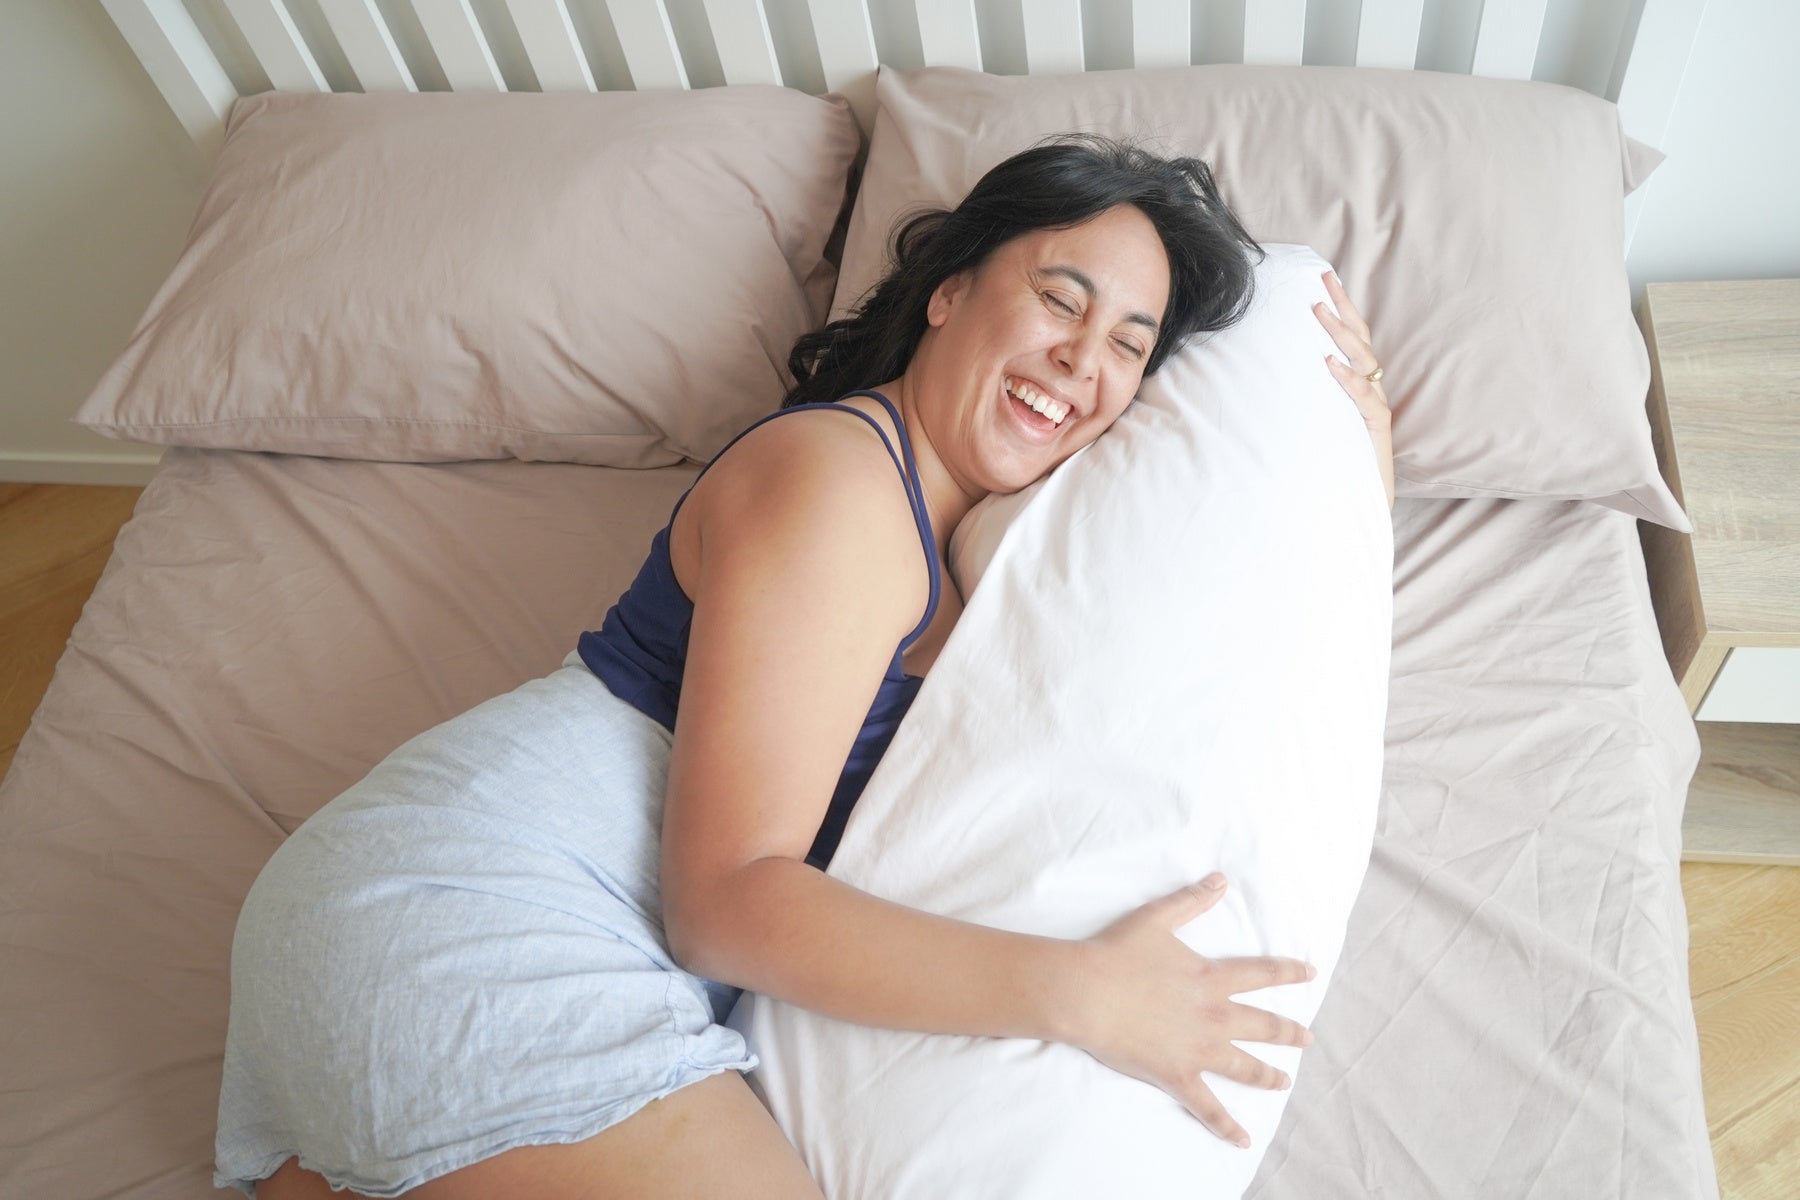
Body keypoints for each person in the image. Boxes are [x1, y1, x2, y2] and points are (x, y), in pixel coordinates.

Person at [216, 134, 1396, 1200]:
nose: (1081, 359)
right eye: (1058, 298)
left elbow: (1253, 611)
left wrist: (1361, 461)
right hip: (471, 917)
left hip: (457, 921)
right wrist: (1081, 994)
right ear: (949, 292)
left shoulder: (982, 538)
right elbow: (726, 903)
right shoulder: (839, 487)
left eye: (1128, 345)